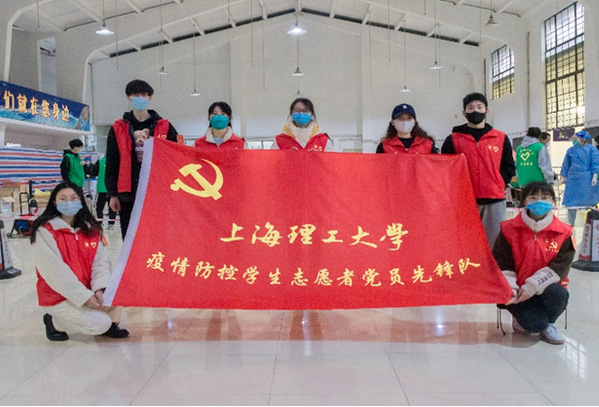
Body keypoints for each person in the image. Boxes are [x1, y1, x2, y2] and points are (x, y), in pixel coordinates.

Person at [30, 182, 129, 341]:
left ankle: (111, 323)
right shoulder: (44, 231)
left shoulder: (91, 229)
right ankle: (53, 321)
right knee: (100, 323)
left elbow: (100, 263)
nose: (69, 202)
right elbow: (55, 272)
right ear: (55, 203)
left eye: (73, 198)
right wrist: (84, 297)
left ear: (81, 201)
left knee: (119, 291)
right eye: (63, 199)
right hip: (59, 296)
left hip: (89, 290)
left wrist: (100, 289)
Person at [493, 181, 575, 345]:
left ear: (553, 201)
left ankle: (549, 324)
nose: (539, 201)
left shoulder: (564, 233)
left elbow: (560, 268)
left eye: (545, 197)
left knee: (558, 294)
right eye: (533, 197)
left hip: (546, 288)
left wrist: (532, 287)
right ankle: (527, 318)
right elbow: (502, 263)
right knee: (534, 325)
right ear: (524, 201)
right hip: (518, 291)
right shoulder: (509, 229)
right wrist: (512, 289)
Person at [105, 79, 179, 239]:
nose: (140, 98)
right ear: (128, 97)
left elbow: (176, 158)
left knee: (157, 236)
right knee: (130, 236)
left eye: (144, 94)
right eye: (135, 94)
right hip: (127, 193)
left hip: (157, 192)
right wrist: (112, 194)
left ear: (150, 97)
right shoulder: (118, 127)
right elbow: (112, 162)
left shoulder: (165, 126)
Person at [441, 92, 515, 248]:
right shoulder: (453, 139)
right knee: (466, 244)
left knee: (494, 244)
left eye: (479, 107)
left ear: (486, 110)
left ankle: (492, 266)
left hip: (494, 201)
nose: (475, 111)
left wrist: (498, 182)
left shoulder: (500, 137)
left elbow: (509, 166)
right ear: (464, 112)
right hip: (465, 201)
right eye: (470, 107)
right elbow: (446, 169)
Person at [560, 130, 599, 225]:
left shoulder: (592, 150)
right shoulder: (570, 150)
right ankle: (570, 225)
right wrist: (563, 177)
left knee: (587, 202)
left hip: (587, 179)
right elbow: (566, 164)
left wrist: (595, 175)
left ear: (583, 139)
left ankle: (589, 225)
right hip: (572, 179)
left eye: (577, 139)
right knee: (571, 204)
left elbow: (595, 163)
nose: (575, 141)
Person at [91, 156, 116, 229]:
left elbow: (93, 173)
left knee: (99, 207)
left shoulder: (100, 162)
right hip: (112, 188)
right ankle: (111, 224)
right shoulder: (115, 161)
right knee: (112, 207)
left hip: (102, 188)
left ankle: (100, 222)